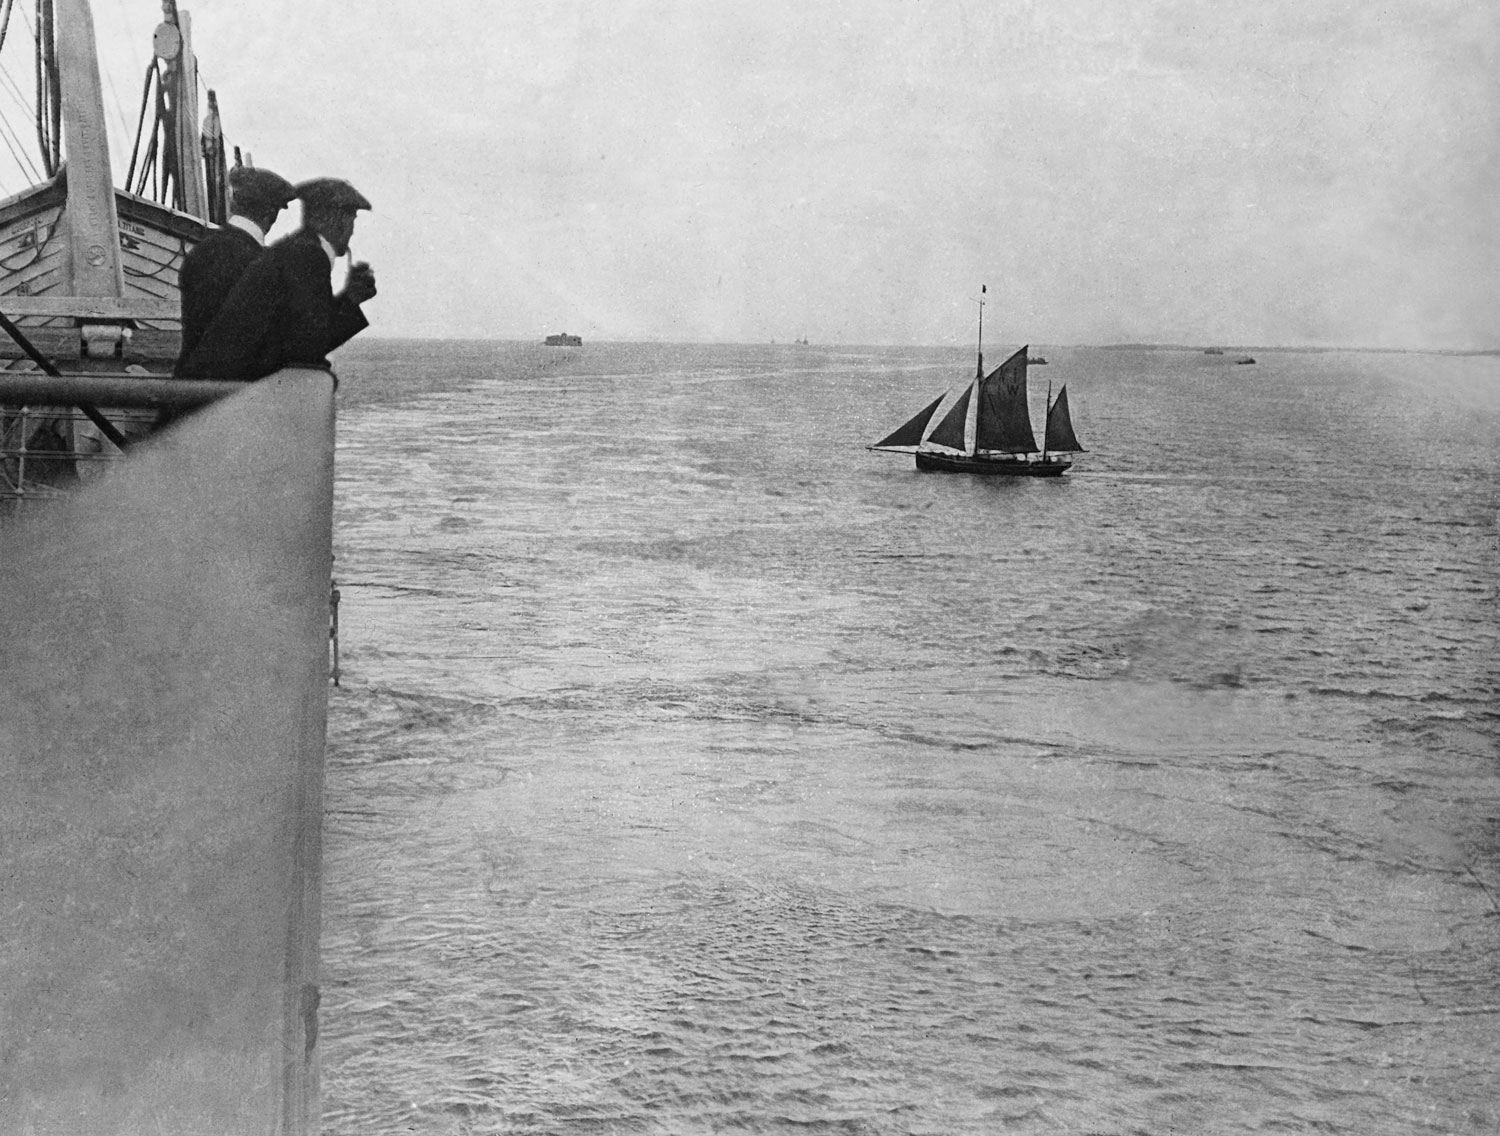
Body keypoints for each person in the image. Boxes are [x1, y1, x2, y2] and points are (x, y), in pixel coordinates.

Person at [178, 177, 376, 382]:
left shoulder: (295, 251)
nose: (352, 231)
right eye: (352, 220)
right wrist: (349, 303)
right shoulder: (310, 256)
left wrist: (350, 300)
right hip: (222, 389)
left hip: (212, 381)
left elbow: (302, 335)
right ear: (336, 220)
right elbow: (305, 346)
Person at [174, 164, 296, 375]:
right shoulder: (263, 264)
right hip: (238, 388)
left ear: (234, 205)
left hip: (190, 383)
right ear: (271, 213)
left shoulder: (198, 253)